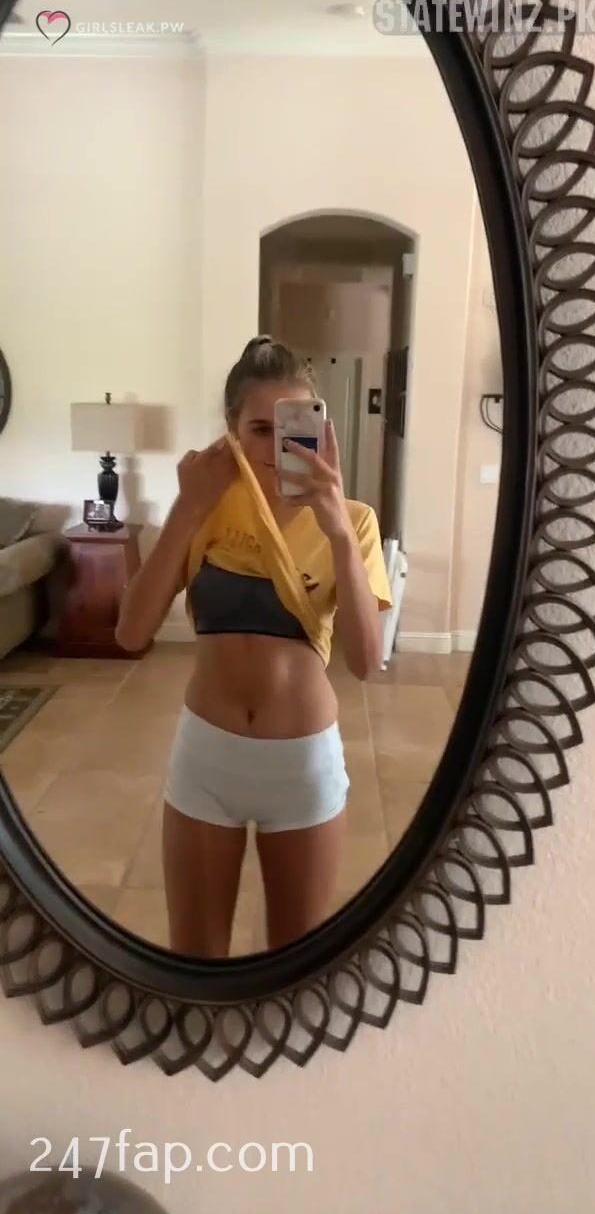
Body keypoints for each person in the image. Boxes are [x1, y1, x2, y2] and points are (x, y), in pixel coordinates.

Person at [116, 335, 392, 958]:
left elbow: (365, 662)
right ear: (232, 432)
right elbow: (131, 633)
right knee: (195, 959)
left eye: (292, 428)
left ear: (318, 428)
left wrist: (337, 532)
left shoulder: (354, 519)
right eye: (259, 429)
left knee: (294, 965)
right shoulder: (205, 508)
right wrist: (187, 506)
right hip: (205, 759)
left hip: (302, 768)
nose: (275, 448)